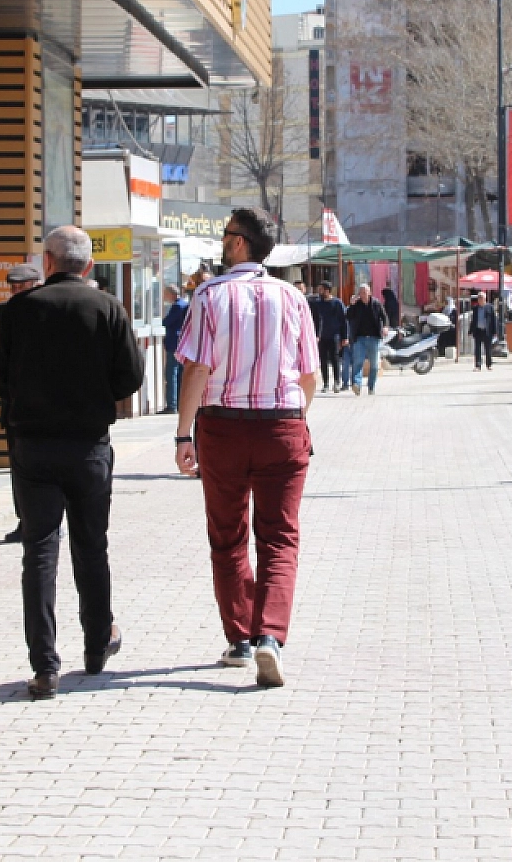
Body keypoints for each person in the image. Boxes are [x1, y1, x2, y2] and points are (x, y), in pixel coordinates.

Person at [0, 227, 143, 700]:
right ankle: (97, 646)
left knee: (39, 550)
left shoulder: (16, 311)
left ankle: (44, 666)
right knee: (91, 547)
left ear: (48, 262)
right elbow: (131, 378)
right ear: (88, 266)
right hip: (89, 445)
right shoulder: (109, 309)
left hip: (33, 446)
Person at [173, 207, 319, 688]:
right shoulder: (292, 298)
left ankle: (240, 638)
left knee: (228, 534)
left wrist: (183, 433)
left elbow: (196, 369)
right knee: (279, 537)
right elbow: (309, 376)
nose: (221, 240)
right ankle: (270, 637)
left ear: (239, 244)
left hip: (224, 427)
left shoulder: (210, 295)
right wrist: (296, 419)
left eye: (225, 234)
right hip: (282, 423)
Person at [0, 261, 44, 542]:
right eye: (15, 288)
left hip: (48, 405)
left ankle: (47, 521)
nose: (18, 293)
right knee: (20, 467)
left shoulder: (50, 313)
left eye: (24, 288)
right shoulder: (1, 315)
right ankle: (25, 520)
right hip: (17, 404)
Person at [343, 283, 388, 395]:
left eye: (364, 292)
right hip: (359, 338)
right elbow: (348, 316)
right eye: (361, 292)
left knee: (374, 364)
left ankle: (371, 386)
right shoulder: (356, 305)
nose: (362, 294)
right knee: (358, 362)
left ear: (369, 292)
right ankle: (357, 385)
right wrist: (351, 304)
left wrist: (385, 327)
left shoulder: (376, 303)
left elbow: (384, 316)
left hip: (374, 338)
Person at [311, 282, 347, 393]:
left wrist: (344, 337)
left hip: (334, 335)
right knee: (323, 360)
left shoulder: (337, 303)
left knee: (335, 359)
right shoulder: (317, 304)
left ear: (327, 290)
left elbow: (343, 321)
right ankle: (325, 383)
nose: (319, 291)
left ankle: (336, 382)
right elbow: (314, 320)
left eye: (321, 289)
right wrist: (315, 334)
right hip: (321, 336)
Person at [161, 285, 188, 413]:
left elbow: (167, 322)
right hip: (181, 342)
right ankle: (178, 403)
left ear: (172, 294)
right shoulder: (184, 304)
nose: (164, 297)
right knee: (179, 374)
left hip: (174, 343)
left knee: (171, 373)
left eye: (165, 294)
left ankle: (172, 405)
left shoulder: (178, 306)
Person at [469, 294, 498, 370]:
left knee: (488, 348)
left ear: (485, 299)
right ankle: (478, 365)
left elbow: (493, 320)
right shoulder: (475, 308)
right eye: (479, 299)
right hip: (478, 330)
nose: (480, 300)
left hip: (487, 331)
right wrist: (470, 331)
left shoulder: (490, 307)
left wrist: (495, 331)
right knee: (477, 349)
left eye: (481, 298)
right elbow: (473, 320)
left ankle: (489, 364)